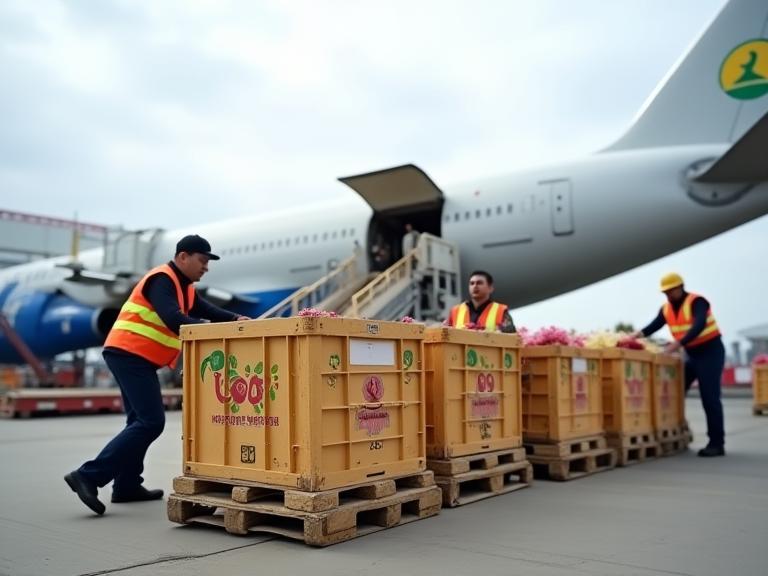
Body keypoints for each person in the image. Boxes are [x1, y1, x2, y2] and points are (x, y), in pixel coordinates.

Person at [64, 234, 249, 515]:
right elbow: (173, 319)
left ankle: (127, 485)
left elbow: (206, 309)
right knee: (151, 422)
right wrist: (211, 330)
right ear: (183, 257)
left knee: (138, 421)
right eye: (202, 260)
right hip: (129, 353)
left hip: (134, 356)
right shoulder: (162, 279)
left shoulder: (185, 288)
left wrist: (235, 319)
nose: (206, 267)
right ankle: (88, 476)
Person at [632, 273, 725, 457]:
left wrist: (677, 345)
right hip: (691, 355)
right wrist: (635, 336)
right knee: (675, 393)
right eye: (665, 292)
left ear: (681, 287)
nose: (669, 295)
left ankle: (716, 443)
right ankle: (678, 429)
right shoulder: (666, 309)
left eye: (671, 290)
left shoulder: (697, 302)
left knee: (709, 398)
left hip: (710, 352)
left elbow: (698, 325)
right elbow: (654, 326)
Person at [445, 270, 516, 333]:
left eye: (479, 283)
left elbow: (510, 335)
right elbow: (445, 334)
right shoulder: (455, 311)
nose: (475, 286)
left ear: (490, 288)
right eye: (472, 283)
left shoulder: (501, 310)